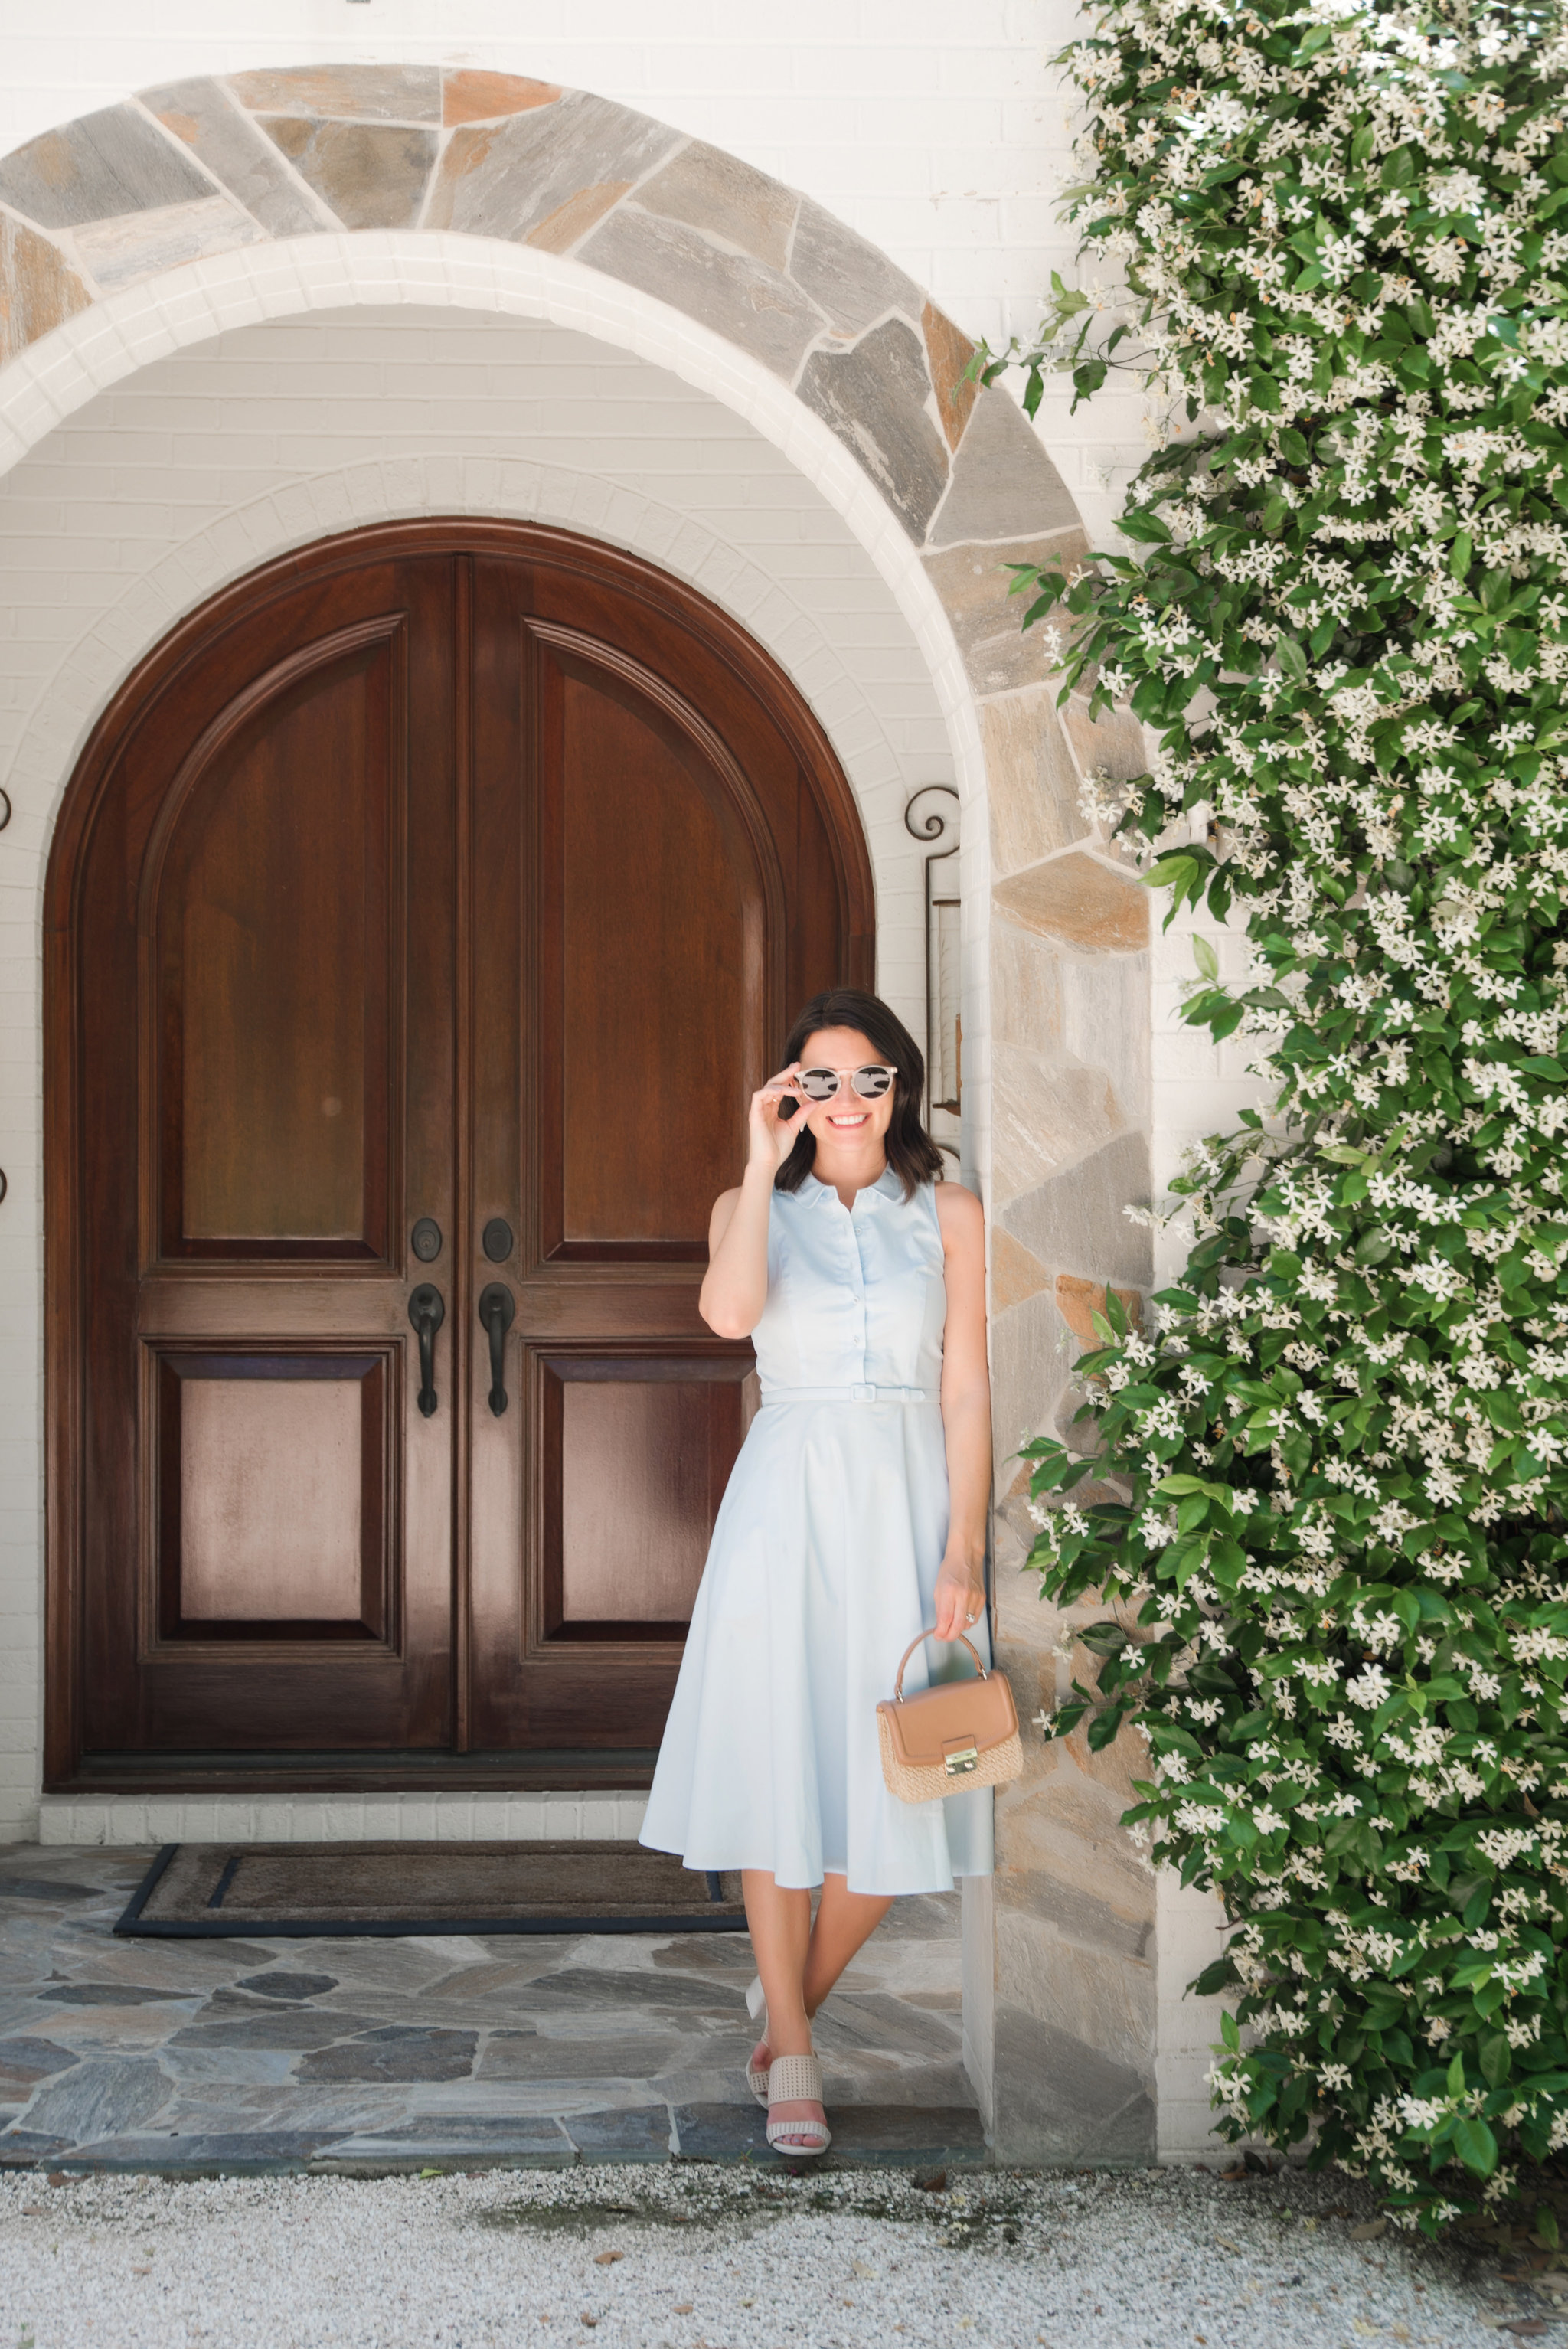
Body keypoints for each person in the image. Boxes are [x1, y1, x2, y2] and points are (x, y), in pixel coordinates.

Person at [639, 986, 992, 2156]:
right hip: (785, 1505)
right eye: (821, 1081)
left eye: (872, 1078)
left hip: (908, 1502)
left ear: (904, 1087)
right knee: (775, 1763)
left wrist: (964, 1547)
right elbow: (730, 1316)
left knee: (919, 1775)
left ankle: (792, 2001)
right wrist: (759, 1157)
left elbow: (965, 1386)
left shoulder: (948, 1213)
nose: (849, 1101)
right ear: (791, 1091)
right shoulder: (748, 1210)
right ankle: (793, 2049)